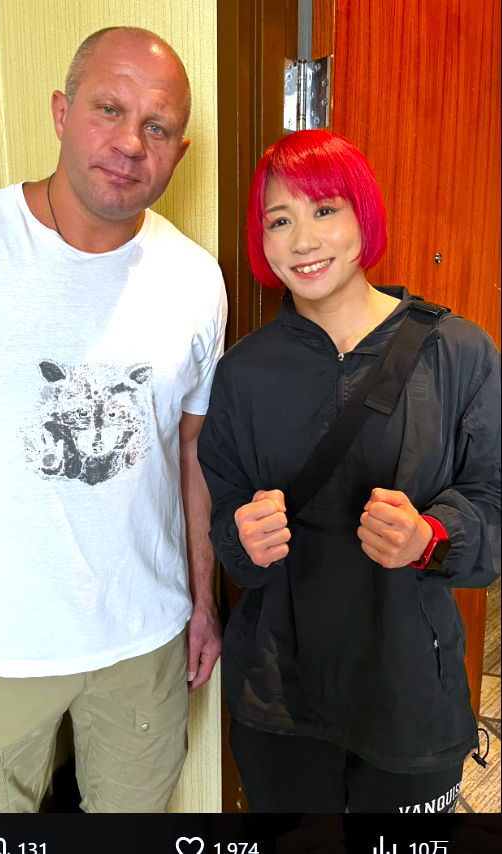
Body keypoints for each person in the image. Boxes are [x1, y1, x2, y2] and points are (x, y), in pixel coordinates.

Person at [0, 26, 226, 813]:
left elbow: (193, 453)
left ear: (177, 152)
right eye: (109, 108)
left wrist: (204, 604)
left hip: (146, 641)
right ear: (61, 112)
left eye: (158, 126)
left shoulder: (195, 279)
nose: (131, 143)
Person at [198, 130, 500, 813]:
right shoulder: (243, 372)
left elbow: (494, 496)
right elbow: (221, 505)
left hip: (408, 695)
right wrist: (240, 537)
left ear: (364, 215)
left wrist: (430, 538)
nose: (303, 240)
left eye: (325, 209)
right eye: (279, 220)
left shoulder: (457, 352)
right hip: (279, 696)